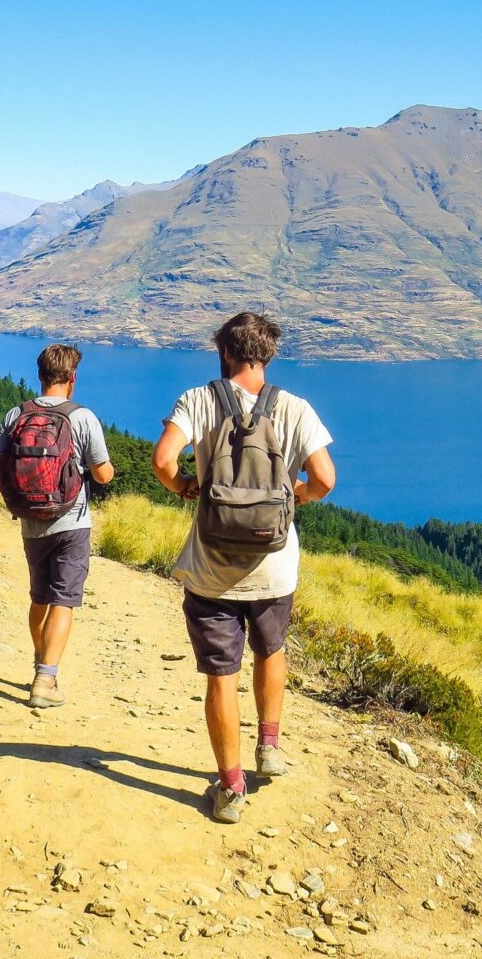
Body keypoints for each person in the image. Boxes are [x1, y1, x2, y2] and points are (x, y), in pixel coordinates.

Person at [152, 311, 335, 824]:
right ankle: (269, 746)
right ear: (267, 354)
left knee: (220, 676)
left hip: (212, 566)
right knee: (271, 649)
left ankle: (231, 787)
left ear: (226, 351)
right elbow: (325, 478)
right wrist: (294, 498)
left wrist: (187, 486)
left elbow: (163, 460)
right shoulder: (295, 408)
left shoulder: (198, 400)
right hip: (274, 565)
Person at [0, 344, 114, 708]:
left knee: (39, 597)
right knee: (64, 598)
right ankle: (46, 677)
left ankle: (40, 661)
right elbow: (103, 475)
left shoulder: (15, 416)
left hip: (31, 522)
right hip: (72, 521)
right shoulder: (82, 417)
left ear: (40, 376)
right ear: (72, 379)